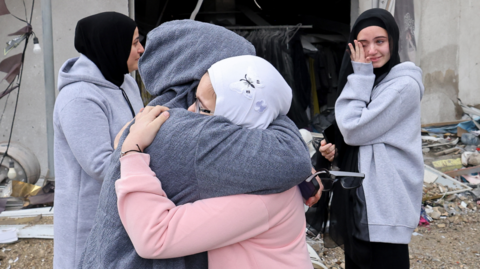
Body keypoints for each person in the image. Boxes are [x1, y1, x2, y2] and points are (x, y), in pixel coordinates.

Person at [79, 20, 318, 269]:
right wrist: (129, 149)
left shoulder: (165, 118)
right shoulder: (194, 134)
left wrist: (129, 146)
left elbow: (288, 157)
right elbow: (156, 235)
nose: (194, 110)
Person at [318, 8, 424, 269]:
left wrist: (361, 74)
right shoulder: (372, 81)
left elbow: (354, 129)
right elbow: (349, 134)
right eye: (362, 44)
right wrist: (335, 150)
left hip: (384, 203)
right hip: (361, 197)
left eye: (380, 41)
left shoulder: (403, 86)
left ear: (393, 42)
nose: (372, 51)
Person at [53, 12, 144, 269]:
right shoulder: (79, 97)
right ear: (111, 44)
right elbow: (102, 166)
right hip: (88, 222)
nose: (141, 49)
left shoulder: (125, 82)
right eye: (134, 43)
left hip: (120, 215)